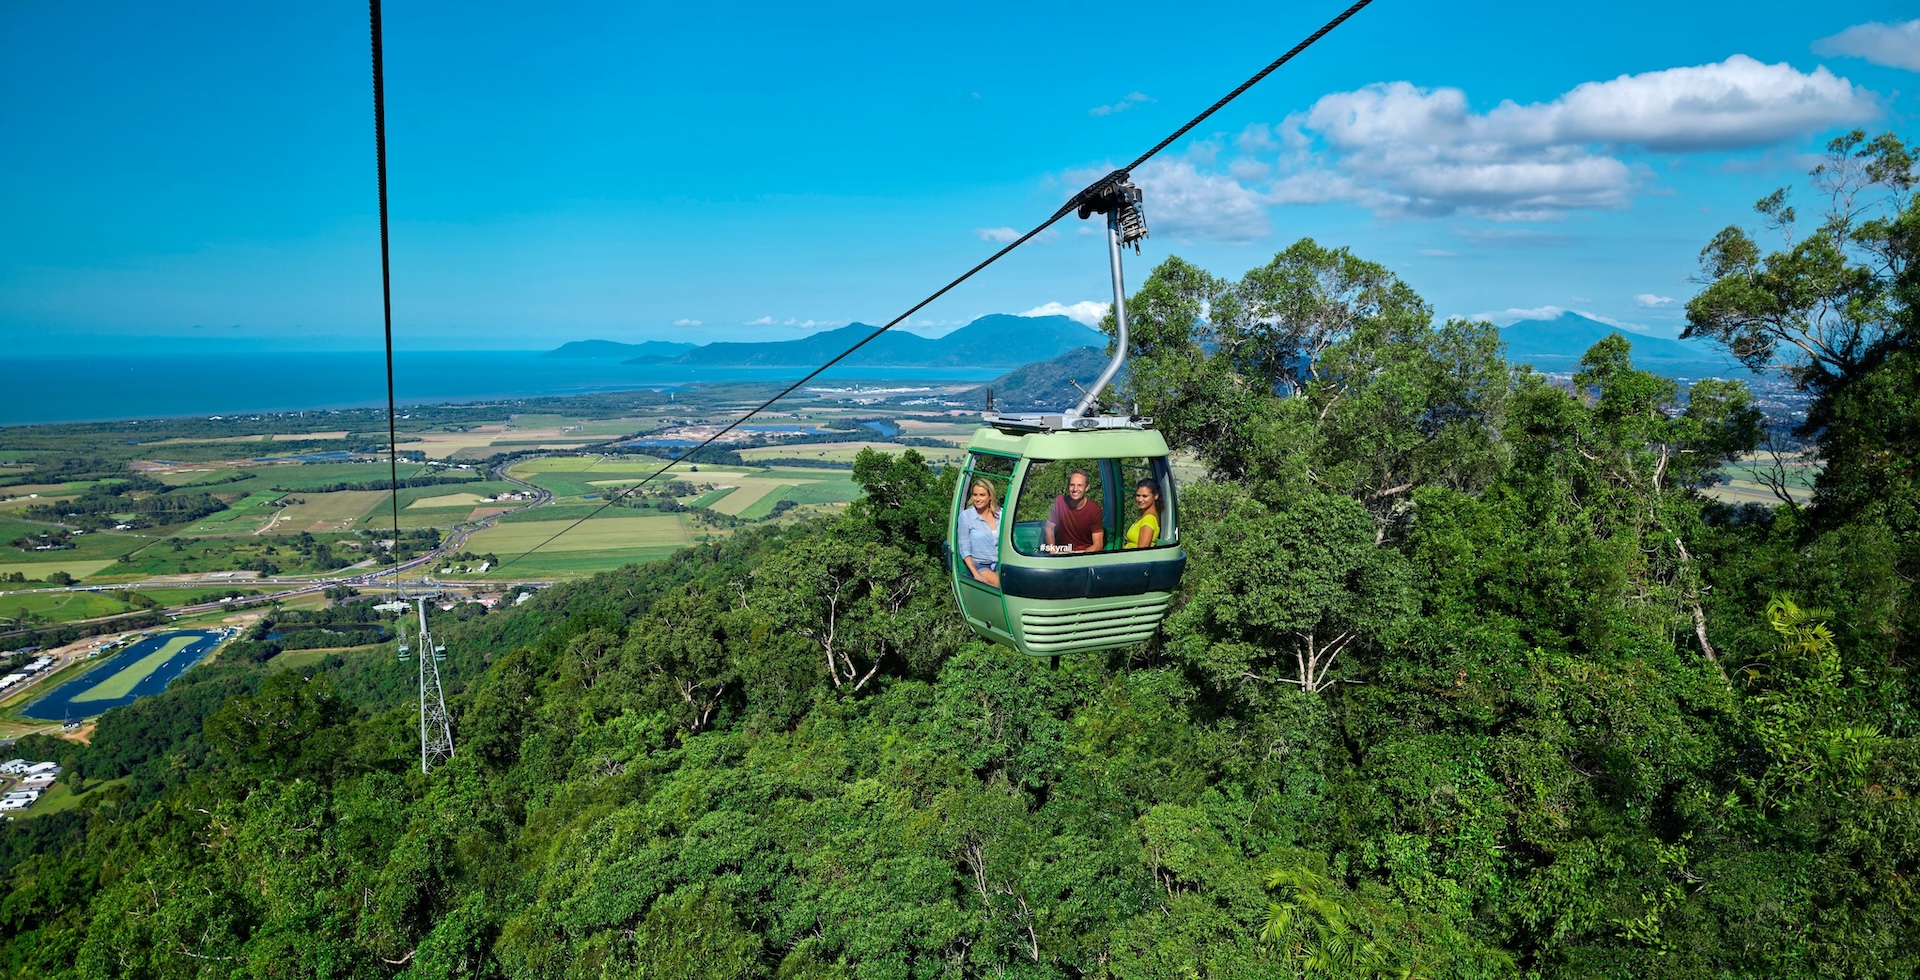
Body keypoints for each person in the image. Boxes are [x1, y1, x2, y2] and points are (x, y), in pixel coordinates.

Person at [1044, 468, 1104, 554]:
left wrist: (1081, 556)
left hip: (1084, 553)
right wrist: (1052, 549)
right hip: (1062, 552)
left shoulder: (1094, 510)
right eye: (1072, 485)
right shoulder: (1060, 502)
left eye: (1079, 485)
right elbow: (1049, 528)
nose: (1075, 489)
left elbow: (1098, 544)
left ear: (1086, 488)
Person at [958, 476, 1001, 587]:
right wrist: (975, 573)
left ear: (990, 496)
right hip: (980, 564)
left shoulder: (1000, 514)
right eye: (975, 495)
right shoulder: (966, 516)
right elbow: (964, 548)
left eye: (982, 495)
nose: (977, 499)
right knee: (999, 583)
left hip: (1000, 561)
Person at [1125, 478, 1160, 549]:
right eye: (1138, 495)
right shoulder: (1144, 517)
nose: (1140, 500)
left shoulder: (1149, 519)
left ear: (1155, 496)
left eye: (1145, 496)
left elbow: (1141, 551)